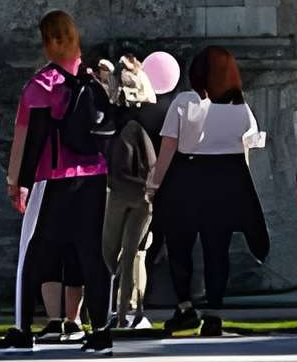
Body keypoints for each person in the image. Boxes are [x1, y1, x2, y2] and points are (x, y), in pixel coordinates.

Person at [0, 12, 114, 353]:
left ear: (49, 41)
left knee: (31, 253)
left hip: (54, 178)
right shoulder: (94, 79)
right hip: (94, 176)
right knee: (91, 253)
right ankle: (101, 331)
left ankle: (22, 329)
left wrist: (18, 181)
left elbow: (29, 137)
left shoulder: (42, 85)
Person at [150, 45, 270, 336]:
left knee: (180, 246)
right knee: (217, 249)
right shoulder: (240, 107)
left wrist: (154, 184)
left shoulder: (185, 102)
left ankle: (185, 306)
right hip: (227, 179)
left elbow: (168, 148)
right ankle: (214, 311)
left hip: (187, 176)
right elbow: (246, 149)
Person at [101, 54, 162, 331]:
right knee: (124, 254)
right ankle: (123, 309)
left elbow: (147, 161)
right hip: (135, 193)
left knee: (125, 254)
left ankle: (125, 310)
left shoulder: (130, 125)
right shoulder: (136, 123)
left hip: (129, 192)